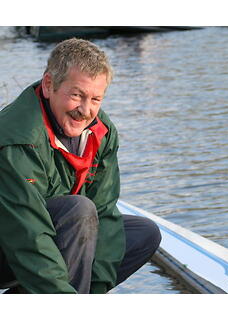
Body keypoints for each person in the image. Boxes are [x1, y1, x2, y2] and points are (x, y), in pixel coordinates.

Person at [0, 38, 161, 293]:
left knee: (143, 234)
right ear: (49, 84)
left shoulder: (102, 132)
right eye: (77, 95)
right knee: (79, 211)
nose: (85, 111)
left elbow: (105, 212)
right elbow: (28, 236)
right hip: (12, 242)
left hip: (50, 238)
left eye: (96, 99)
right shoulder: (18, 140)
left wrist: (93, 291)